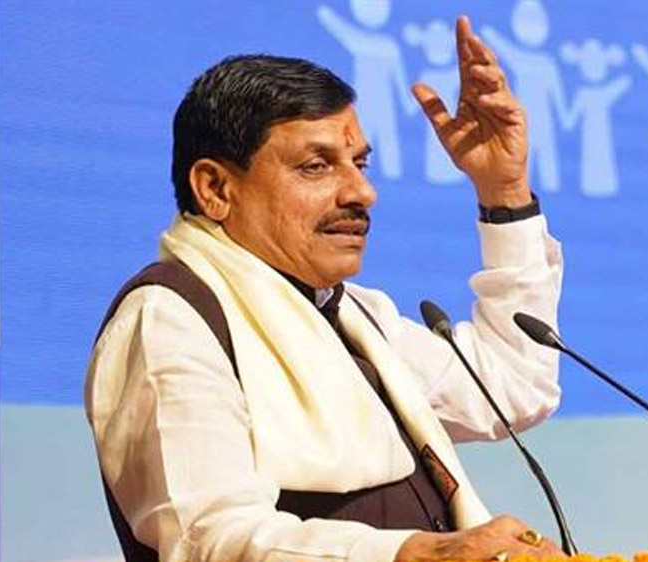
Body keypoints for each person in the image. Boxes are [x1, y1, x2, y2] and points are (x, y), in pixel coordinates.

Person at [85, 15, 564, 562]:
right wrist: (422, 554)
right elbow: (208, 539)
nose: (362, 192)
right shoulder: (172, 318)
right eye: (317, 166)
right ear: (215, 188)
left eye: (359, 163)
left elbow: (512, 389)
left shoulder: (354, 316)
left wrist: (504, 190)